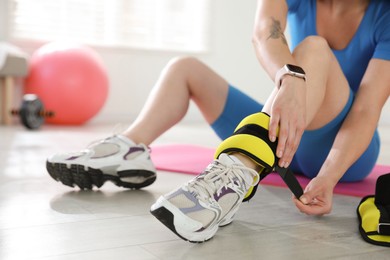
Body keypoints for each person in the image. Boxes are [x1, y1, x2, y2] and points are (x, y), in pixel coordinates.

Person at [47, 0, 390, 242]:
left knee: (314, 47)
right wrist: (288, 77)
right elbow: (263, 32)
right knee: (185, 69)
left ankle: (235, 174)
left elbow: (366, 109)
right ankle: (129, 148)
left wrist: (328, 178)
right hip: (286, 134)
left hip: (343, 150)